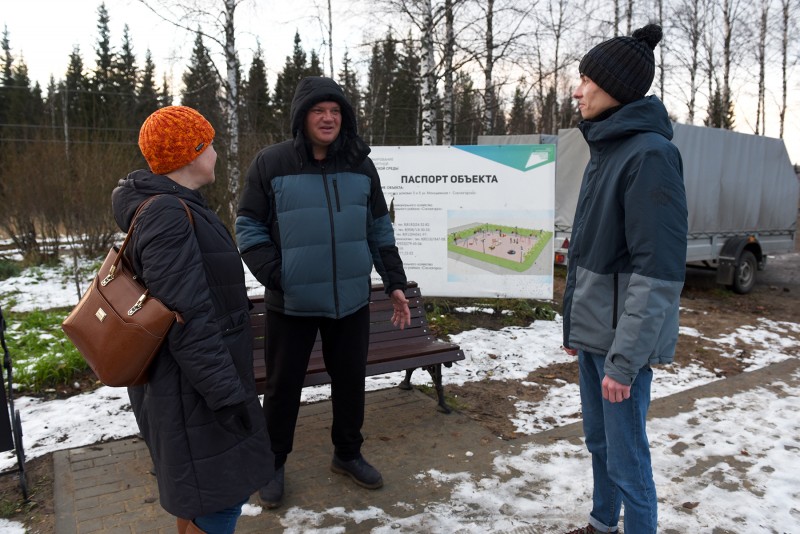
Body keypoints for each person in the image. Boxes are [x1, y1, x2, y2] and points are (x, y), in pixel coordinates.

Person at [235, 76, 411, 509]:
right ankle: (272, 464)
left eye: (335, 111)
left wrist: (395, 284)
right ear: (302, 117)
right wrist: (277, 275)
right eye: (319, 110)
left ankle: (347, 454)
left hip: (350, 301)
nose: (328, 118)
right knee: (282, 387)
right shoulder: (272, 163)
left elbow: (378, 228)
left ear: (344, 117)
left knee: (351, 382)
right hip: (291, 303)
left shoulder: (360, 164)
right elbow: (248, 226)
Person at [112, 106, 273, 534]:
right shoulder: (168, 213)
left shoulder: (175, 206)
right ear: (190, 153)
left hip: (191, 386)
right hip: (194, 392)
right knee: (218, 502)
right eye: (210, 144)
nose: (217, 153)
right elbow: (189, 320)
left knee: (201, 498)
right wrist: (228, 398)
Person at [561, 24, 688, 534]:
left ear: (616, 87)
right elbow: (596, 253)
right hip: (597, 336)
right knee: (600, 444)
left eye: (587, 79)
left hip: (621, 346)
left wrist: (625, 359)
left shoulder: (649, 155)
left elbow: (655, 273)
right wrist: (577, 327)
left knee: (628, 457)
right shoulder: (608, 149)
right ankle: (601, 523)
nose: (578, 89)